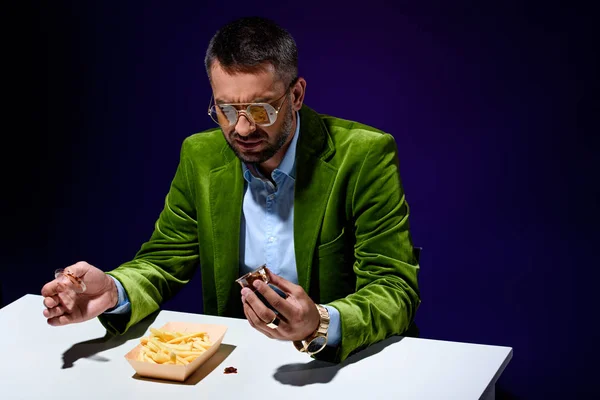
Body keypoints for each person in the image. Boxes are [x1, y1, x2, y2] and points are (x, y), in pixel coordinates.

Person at [41, 16, 421, 363]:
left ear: (297, 96)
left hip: (348, 362)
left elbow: (394, 288)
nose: (242, 129)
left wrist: (320, 322)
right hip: (240, 366)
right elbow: (162, 262)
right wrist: (114, 289)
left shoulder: (365, 154)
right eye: (225, 110)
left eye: (261, 109)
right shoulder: (200, 156)